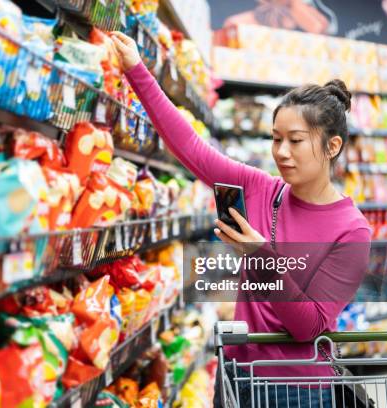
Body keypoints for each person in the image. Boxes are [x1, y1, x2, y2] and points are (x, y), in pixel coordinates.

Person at [109, 31, 372, 407]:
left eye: (295, 141)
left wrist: (259, 255)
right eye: (275, 138)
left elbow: (307, 327)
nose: (281, 152)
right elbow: (191, 148)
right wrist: (137, 69)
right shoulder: (260, 188)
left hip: (297, 393)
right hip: (236, 379)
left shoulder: (352, 230)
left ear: (332, 146)